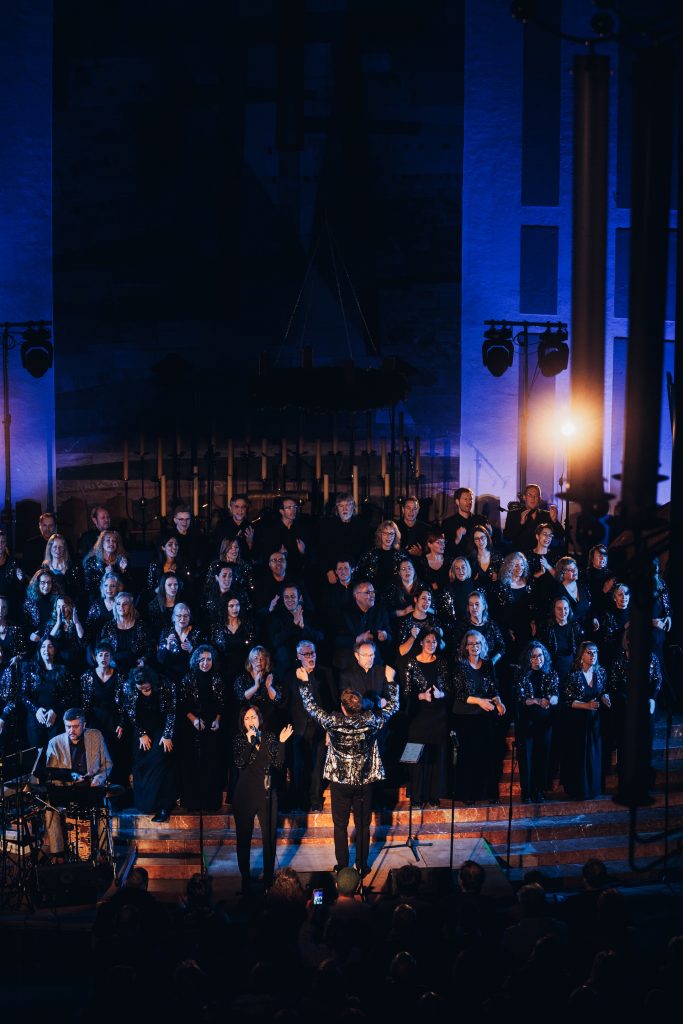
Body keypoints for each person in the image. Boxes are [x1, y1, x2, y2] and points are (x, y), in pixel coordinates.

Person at [299, 672, 398, 876]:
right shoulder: (371, 720)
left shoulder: (333, 721)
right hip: (364, 782)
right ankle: (362, 866)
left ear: (343, 707)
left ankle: (343, 866)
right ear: (359, 706)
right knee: (363, 826)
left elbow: (310, 707)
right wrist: (390, 680)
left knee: (340, 825)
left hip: (341, 782)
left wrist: (305, 682)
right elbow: (392, 707)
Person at [232, 705, 293, 889]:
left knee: (269, 837)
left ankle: (268, 879)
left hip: (267, 793)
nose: (251, 721)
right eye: (247, 718)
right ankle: (245, 878)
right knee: (244, 837)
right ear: (243, 722)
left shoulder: (269, 737)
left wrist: (282, 743)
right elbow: (239, 762)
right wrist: (251, 742)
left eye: (253, 717)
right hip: (244, 795)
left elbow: (279, 764)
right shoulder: (239, 739)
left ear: (259, 719)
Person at [43, 706, 113, 858]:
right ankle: (58, 853)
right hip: (68, 790)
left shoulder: (96, 736)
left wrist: (99, 779)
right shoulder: (54, 743)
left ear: (84, 725)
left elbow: (107, 764)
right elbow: (52, 774)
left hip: (90, 787)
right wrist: (67, 783)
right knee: (50, 811)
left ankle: (103, 852)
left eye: (75, 726)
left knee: (105, 808)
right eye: (68, 727)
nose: (71, 731)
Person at [452, 629, 506, 805]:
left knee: (488, 754)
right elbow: (460, 694)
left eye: (478, 643)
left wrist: (499, 702)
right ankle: (468, 794)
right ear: (465, 647)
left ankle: (488, 793)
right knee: (469, 755)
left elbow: (493, 689)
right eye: (471, 644)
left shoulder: (488, 665)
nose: (475, 647)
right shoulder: (460, 666)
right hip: (466, 715)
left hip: (485, 715)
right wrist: (480, 701)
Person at [404, 627, 450, 808]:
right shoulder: (411, 663)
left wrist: (442, 695)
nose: (432, 645)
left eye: (435, 641)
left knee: (436, 756)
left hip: (438, 716)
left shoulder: (442, 663)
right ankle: (416, 796)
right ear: (421, 642)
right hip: (418, 715)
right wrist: (420, 696)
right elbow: (406, 692)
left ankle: (433, 795)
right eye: (428, 641)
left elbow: (449, 689)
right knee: (414, 755)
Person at [123, 666, 176, 821]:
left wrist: (167, 735)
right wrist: (141, 734)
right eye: (141, 687)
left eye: (147, 685)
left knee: (160, 762)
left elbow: (171, 712)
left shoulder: (165, 684)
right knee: (141, 764)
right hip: (141, 730)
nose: (145, 688)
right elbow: (130, 713)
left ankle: (164, 806)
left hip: (161, 729)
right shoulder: (129, 687)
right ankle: (146, 804)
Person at [289, 641, 335, 812]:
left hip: (319, 728)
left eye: (312, 653)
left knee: (317, 767)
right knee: (299, 767)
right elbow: (287, 703)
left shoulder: (325, 674)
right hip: (299, 729)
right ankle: (299, 802)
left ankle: (315, 801)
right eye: (306, 654)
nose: (310, 657)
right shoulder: (291, 676)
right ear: (298, 657)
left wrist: (329, 730)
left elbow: (332, 704)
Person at [178, 644, 225, 811]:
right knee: (192, 765)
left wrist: (218, 720)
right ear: (196, 661)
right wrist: (194, 720)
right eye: (202, 659)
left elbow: (222, 703)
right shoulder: (187, 679)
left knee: (211, 765)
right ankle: (192, 803)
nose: (206, 663)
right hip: (192, 727)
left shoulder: (217, 679)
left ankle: (210, 803)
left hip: (212, 727)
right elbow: (182, 705)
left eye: (209, 659)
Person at [562, 642, 611, 800]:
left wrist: (605, 697)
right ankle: (579, 790)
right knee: (579, 755)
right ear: (581, 656)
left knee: (594, 754)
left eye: (595, 652)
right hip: (578, 722)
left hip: (595, 721)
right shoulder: (574, 676)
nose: (593, 655)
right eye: (589, 653)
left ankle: (594, 788)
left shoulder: (601, 672)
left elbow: (603, 690)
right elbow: (568, 701)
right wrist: (586, 705)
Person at [514, 642, 559, 804]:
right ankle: (526, 792)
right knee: (527, 758)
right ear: (528, 658)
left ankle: (539, 790)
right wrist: (536, 700)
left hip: (545, 722)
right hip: (527, 721)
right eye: (533, 656)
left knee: (542, 756)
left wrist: (551, 700)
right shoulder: (523, 676)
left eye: (540, 655)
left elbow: (555, 694)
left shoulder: (551, 673)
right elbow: (522, 699)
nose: (537, 659)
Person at [80, 640, 127, 785]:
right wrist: (84, 723)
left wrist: (122, 723)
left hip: (113, 720)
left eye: (107, 655)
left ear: (111, 657)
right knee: (96, 757)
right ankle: (97, 794)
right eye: (100, 655)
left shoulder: (120, 676)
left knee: (114, 755)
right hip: (94, 720)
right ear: (96, 657)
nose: (103, 658)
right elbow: (85, 703)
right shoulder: (87, 676)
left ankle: (116, 797)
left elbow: (125, 703)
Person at [22, 635, 75, 748]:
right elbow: (24, 695)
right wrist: (36, 710)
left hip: (56, 717)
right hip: (35, 718)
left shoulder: (63, 670)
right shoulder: (31, 669)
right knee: (37, 756)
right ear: (39, 649)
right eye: (43, 647)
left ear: (55, 649)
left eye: (50, 646)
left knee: (55, 757)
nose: (46, 650)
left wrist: (55, 710)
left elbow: (70, 694)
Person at [332, 579, 393, 671]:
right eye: (368, 592)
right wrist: (357, 639)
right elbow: (336, 639)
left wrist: (385, 636)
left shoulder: (380, 611)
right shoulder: (344, 613)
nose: (372, 595)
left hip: (374, 661)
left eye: (373, 592)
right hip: (350, 661)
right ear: (357, 595)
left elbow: (390, 635)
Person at [267, 583, 324, 678]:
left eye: (293, 596)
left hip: (308, 657)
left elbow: (320, 636)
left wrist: (304, 628)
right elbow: (275, 641)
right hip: (288, 660)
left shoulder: (309, 614)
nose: (289, 600)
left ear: (299, 598)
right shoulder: (277, 616)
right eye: (286, 597)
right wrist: (293, 626)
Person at [317, 493, 369, 580]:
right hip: (333, 574)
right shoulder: (327, 527)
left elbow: (365, 552)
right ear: (337, 509)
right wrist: (328, 570)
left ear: (353, 507)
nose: (345, 509)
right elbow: (321, 550)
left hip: (355, 574)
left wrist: (355, 570)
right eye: (341, 506)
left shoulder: (362, 527)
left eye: (348, 505)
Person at [503, 483, 564, 553]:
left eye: (536, 495)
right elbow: (507, 537)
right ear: (524, 497)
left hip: (542, 557)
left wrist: (554, 521)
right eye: (530, 495)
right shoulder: (513, 514)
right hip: (521, 558)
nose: (533, 498)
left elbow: (560, 536)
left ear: (539, 499)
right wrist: (520, 524)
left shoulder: (547, 515)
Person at [234, 645, 283, 730]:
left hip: (268, 720)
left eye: (262, 658)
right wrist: (256, 686)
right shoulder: (242, 678)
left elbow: (277, 699)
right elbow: (241, 698)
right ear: (250, 661)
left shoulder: (272, 676)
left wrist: (269, 687)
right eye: (256, 658)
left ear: (266, 661)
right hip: (249, 720)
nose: (259, 661)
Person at [211, 593, 257, 684]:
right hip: (223, 672)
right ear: (225, 607)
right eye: (231, 606)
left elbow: (252, 650)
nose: (235, 609)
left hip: (244, 671)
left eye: (237, 605)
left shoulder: (247, 626)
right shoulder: (218, 627)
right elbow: (214, 651)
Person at [99, 592, 150, 674]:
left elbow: (149, 648)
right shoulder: (108, 626)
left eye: (125, 604)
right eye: (118, 604)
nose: (121, 607)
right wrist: (110, 662)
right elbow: (103, 648)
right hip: (114, 668)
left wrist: (143, 660)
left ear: (130, 606)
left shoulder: (141, 625)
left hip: (136, 667)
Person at [156, 602, 205, 685]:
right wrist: (167, 647)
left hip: (190, 677)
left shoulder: (196, 633)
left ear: (189, 618)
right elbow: (160, 659)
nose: (183, 618)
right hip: (169, 677)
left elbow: (203, 659)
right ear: (173, 618)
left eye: (186, 616)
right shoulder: (166, 632)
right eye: (179, 616)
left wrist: (191, 649)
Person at [354, 520, 408, 594]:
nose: (388, 536)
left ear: (395, 536)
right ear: (380, 535)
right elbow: (358, 572)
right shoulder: (371, 554)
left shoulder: (400, 555)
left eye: (391, 533)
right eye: (385, 533)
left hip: (395, 594)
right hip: (373, 594)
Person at [441, 487, 489, 558]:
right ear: (457, 502)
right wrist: (457, 539)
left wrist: (489, 534)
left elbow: (488, 545)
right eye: (465, 499)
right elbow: (445, 549)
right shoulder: (448, 523)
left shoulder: (481, 520)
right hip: (458, 563)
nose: (469, 502)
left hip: (478, 560)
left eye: (470, 499)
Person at [83, 530, 130, 598]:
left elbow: (127, 587)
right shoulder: (92, 561)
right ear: (102, 543)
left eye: (114, 541)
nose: (111, 543)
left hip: (117, 600)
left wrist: (123, 571)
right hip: (98, 598)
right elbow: (88, 587)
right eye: (108, 540)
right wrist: (106, 575)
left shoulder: (122, 560)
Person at [42, 532, 85, 605]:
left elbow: (78, 591)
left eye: (61, 547)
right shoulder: (44, 568)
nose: (58, 549)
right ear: (50, 548)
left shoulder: (72, 567)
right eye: (55, 547)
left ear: (64, 549)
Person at [23, 568, 61, 647]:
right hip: (35, 639)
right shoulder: (30, 601)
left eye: (49, 583)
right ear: (37, 583)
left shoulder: (57, 600)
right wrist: (30, 634)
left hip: (54, 638)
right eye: (43, 583)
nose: (46, 586)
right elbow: (24, 624)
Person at [85, 570, 122, 642]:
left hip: (117, 641)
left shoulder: (121, 604)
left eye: (113, 586)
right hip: (99, 642)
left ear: (118, 588)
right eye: (106, 585)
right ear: (102, 587)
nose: (109, 589)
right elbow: (89, 627)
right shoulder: (97, 604)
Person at [21, 510, 58, 577]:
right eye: (44, 525)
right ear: (39, 526)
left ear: (55, 526)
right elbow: (26, 569)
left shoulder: (64, 543)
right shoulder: (30, 545)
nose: (47, 529)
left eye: (50, 525)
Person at [0, 527, 25, 618]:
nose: (0, 544)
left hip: (9, 606)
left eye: (2, 542)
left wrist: (21, 579)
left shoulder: (12, 562)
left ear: (5, 543)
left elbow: (19, 587)